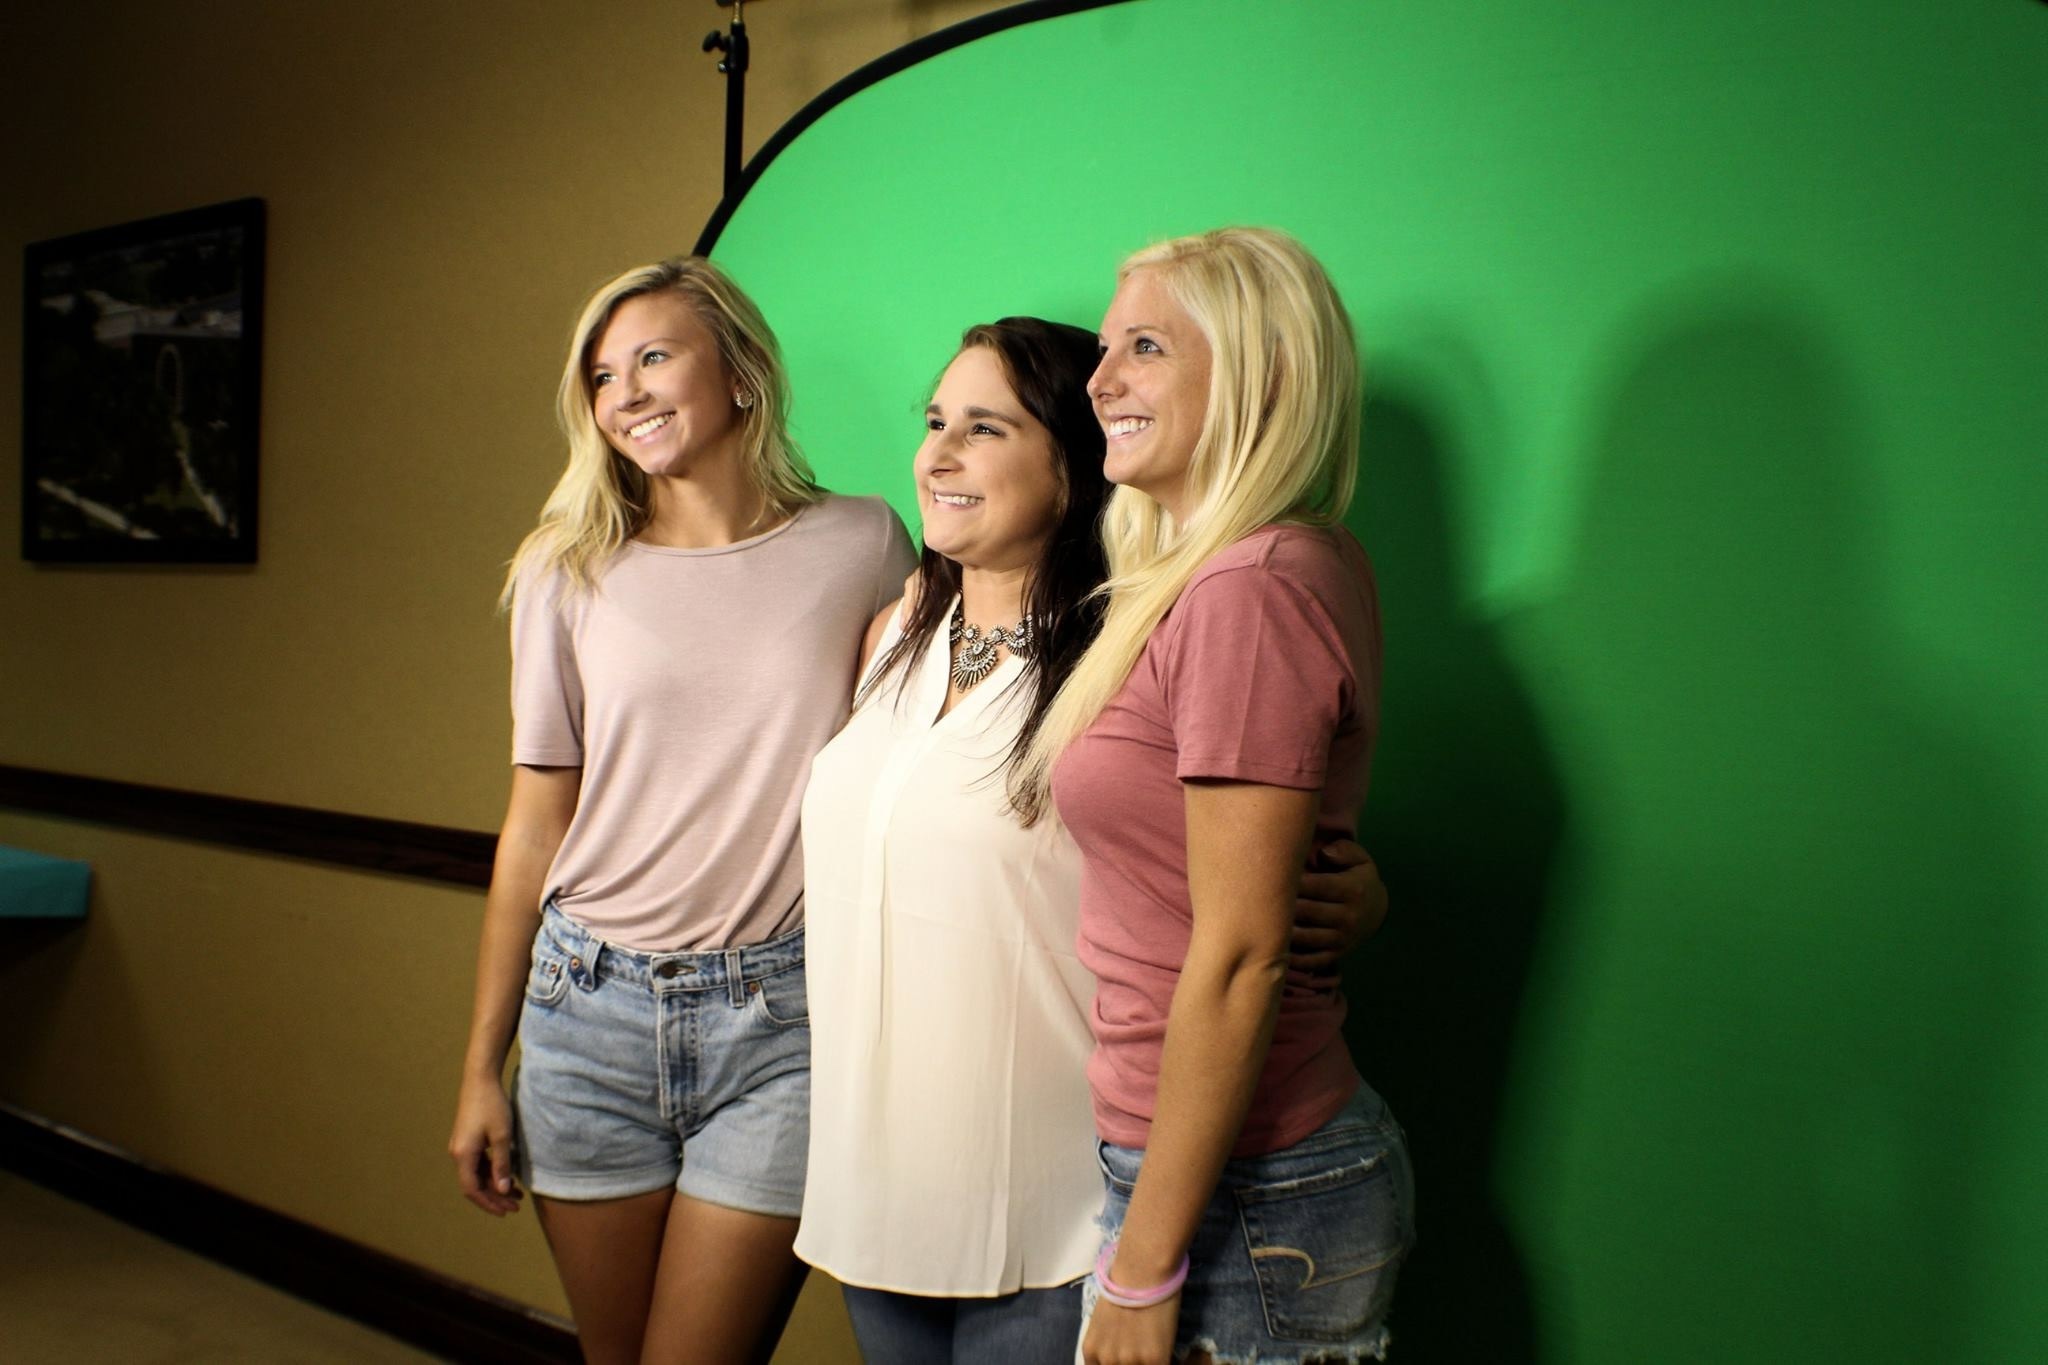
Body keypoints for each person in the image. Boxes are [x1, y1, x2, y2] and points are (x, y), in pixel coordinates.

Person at [797, 316, 1388, 1364]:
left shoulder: (1128, 655)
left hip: (1055, 1204)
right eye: (934, 423)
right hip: (868, 1186)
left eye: (984, 428)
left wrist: (1358, 889)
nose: (938, 455)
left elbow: (1237, 864)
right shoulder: (894, 630)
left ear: (1074, 465)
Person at [446, 257, 916, 1365]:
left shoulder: (864, 544)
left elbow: (922, 758)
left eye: (653, 357)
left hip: (781, 1021)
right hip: (586, 1010)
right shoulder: (567, 571)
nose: (627, 395)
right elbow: (535, 821)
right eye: (603, 377)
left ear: (741, 371)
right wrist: (478, 1066)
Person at [1018, 227, 1415, 1365]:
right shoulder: (1241, 571)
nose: (1101, 380)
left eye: (1145, 347)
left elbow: (1241, 958)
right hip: (1208, 1171)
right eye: (1107, 349)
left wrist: (1143, 1270)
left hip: (1249, 1193)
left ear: (1262, 374)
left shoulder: (1253, 588)